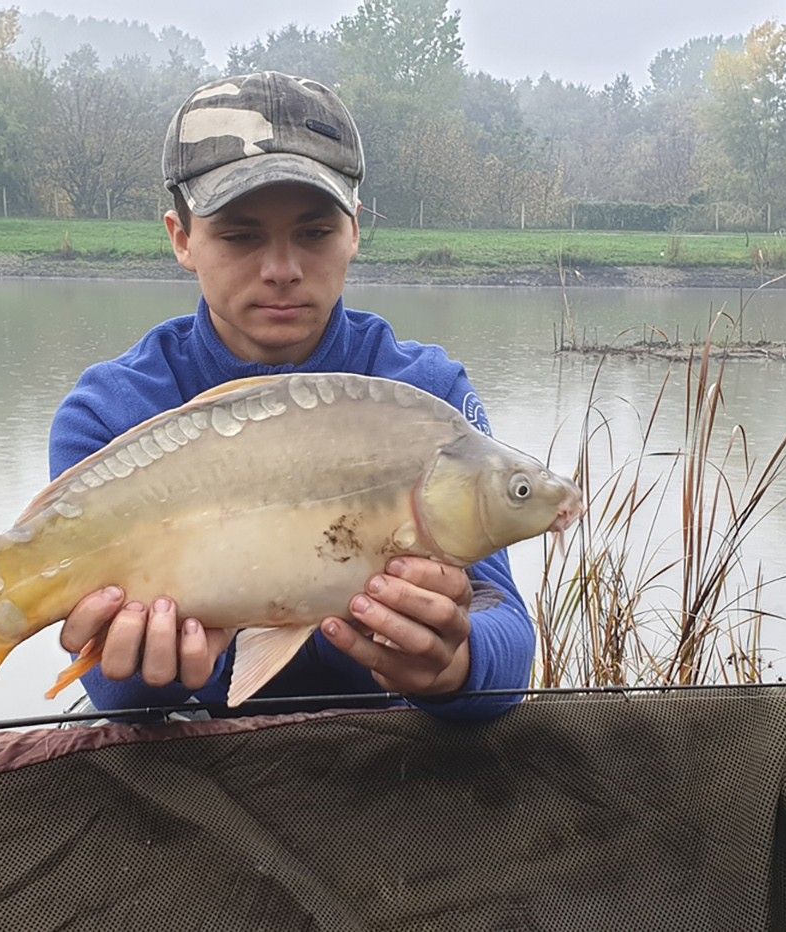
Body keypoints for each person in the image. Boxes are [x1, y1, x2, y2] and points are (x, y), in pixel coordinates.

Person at [47, 70, 533, 722]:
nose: (282, 269)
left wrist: (456, 663)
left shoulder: (423, 399)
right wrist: (153, 675)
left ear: (355, 231)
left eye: (313, 233)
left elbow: (505, 634)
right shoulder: (113, 412)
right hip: (195, 769)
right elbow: (116, 694)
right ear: (182, 238)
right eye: (241, 236)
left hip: (386, 760)